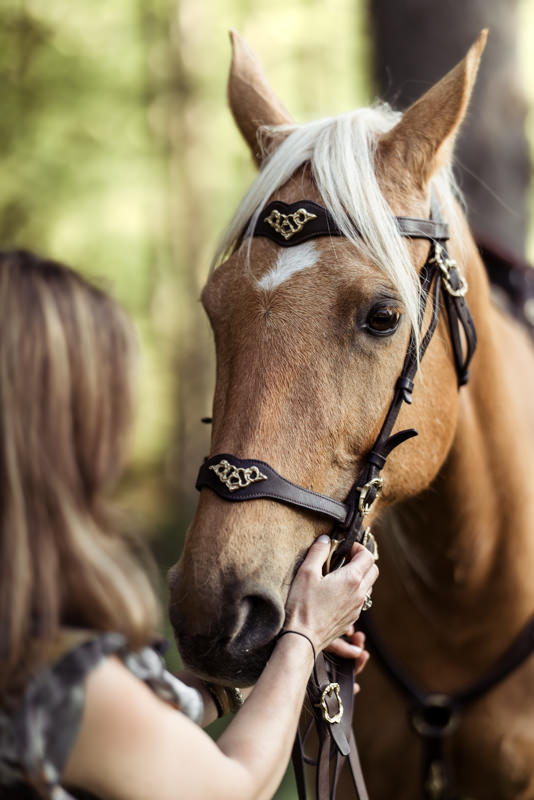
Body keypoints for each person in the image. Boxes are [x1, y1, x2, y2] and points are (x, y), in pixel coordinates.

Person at [0, 249, 379, 800]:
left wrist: (235, 683)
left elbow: (140, 726)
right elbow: (233, 786)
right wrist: (304, 635)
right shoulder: (48, 674)